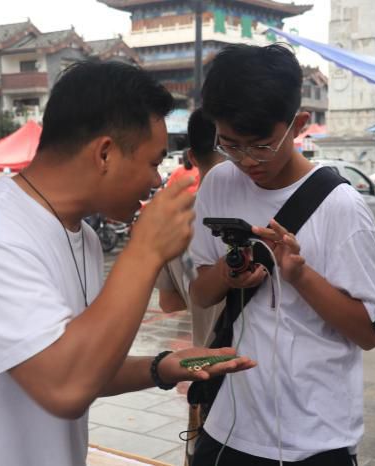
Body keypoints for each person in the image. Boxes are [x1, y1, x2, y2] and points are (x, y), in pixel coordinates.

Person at [0, 61, 254, 466]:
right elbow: (65, 385)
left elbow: (84, 364)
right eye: (153, 163)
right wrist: (146, 250)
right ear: (104, 153)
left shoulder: (83, 237)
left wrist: (163, 367)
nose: (156, 181)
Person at [188, 43, 375, 465]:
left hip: (315, 438)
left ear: (298, 124)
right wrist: (228, 273)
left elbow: (369, 334)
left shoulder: (341, 207)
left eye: (261, 146)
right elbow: (201, 295)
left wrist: (301, 277)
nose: (246, 161)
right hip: (227, 427)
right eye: (230, 145)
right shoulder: (218, 183)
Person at [155, 109, 226, 466]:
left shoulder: (176, 222)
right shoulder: (262, 219)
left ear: (192, 157)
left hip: (205, 370)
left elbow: (168, 303)